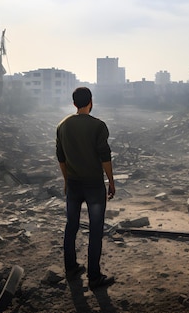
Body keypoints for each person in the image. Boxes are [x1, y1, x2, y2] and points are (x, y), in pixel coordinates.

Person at [56, 87, 116, 290]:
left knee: (71, 226)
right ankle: (94, 276)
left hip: (73, 183)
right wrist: (111, 181)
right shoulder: (98, 126)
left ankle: (71, 268)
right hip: (93, 185)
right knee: (96, 229)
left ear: (74, 103)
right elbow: (104, 157)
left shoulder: (63, 125)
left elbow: (61, 158)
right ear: (91, 101)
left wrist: (66, 180)